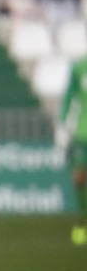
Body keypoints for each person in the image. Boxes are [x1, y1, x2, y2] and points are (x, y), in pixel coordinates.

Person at [59, 54, 87, 245]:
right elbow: (69, 96)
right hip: (82, 132)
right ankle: (83, 223)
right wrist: (62, 123)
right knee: (78, 178)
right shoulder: (79, 67)